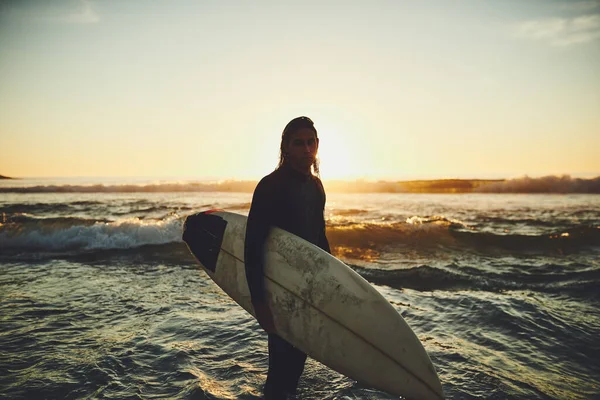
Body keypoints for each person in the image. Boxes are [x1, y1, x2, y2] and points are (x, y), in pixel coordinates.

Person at [244, 116, 331, 399]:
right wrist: (260, 302)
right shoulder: (271, 186)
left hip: (306, 290)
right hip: (280, 290)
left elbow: (320, 240)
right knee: (280, 369)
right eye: (299, 143)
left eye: (311, 142)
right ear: (286, 147)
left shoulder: (316, 187)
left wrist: (332, 283)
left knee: (295, 369)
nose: (307, 149)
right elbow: (252, 246)